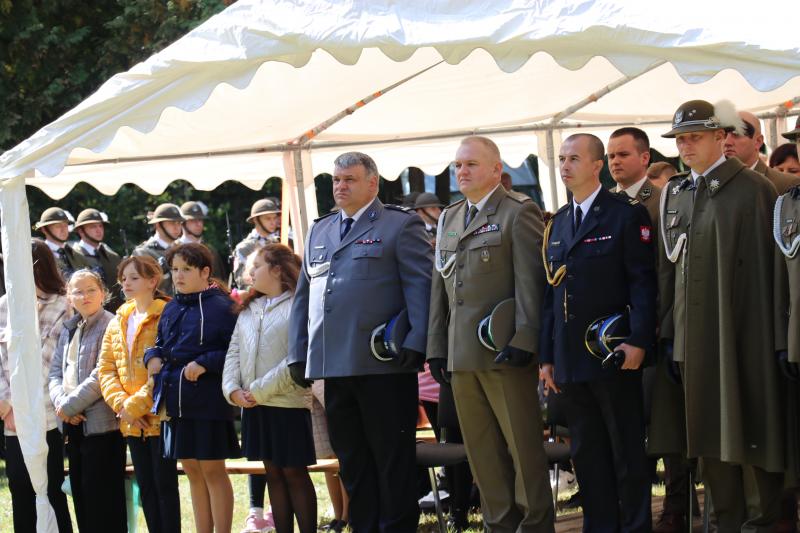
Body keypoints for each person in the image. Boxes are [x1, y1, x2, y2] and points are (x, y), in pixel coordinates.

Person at [659, 99, 788, 530]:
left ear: (721, 137)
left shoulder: (753, 190)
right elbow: (669, 271)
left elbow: (770, 274)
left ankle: (763, 521)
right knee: (707, 437)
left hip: (744, 335)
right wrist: (669, 333)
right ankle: (724, 522)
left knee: (752, 428)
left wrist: (773, 339)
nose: (685, 146)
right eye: (680, 139)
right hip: (693, 339)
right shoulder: (677, 193)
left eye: (694, 137)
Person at [288, 151, 432, 533]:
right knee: (352, 461)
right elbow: (304, 297)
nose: (340, 186)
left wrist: (418, 341)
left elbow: (420, 287)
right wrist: (297, 351)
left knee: (392, 460)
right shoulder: (320, 230)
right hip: (334, 366)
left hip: (383, 363)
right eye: (336, 180)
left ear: (372, 183)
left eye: (349, 179)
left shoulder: (399, 224)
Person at [427, 136, 554, 533]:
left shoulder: (518, 211)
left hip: (504, 352)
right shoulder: (449, 217)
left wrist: (525, 338)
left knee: (523, 449)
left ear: (497, 169)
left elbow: (531, 282)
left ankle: (535, 525)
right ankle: (499, 525)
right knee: (482, 454)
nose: (462, 172)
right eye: (457, 166)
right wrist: (436, 347)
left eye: (471, 164)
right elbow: (440, 288)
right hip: (461, 355)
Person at [539, 133, 656, 532]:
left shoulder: (624, 215)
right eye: (561, 158)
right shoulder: (557, 223)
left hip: (612, 354)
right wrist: (547, 356)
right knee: (588, 455)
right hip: (571, 358)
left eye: (574, 158)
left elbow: (642, 283)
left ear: (596, 166)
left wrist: (639, 340)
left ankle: (636, 526)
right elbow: (551, 294)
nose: (565, 166)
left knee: (626, 452)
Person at [145, 243, 240, 533]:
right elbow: (160, 344)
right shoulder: (171, 306)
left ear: (205, 271)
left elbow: (236, 350)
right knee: (191, 470)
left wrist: (205, 363)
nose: (178, 275)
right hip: (175, 400)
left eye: (186, 269)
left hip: (208, 400)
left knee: (212, 469)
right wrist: (152, 357)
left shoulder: (223, 307)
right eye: (174, 269)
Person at [223, 244, 317, 533]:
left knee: (294, 473)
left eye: (256, 266)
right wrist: (232, 389)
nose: (249, 272)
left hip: (287, 404)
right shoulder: (248, 309)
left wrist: (258, 390)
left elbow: (296, 358)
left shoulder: (299, 305)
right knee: (273, 474)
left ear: (276, 270)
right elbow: (234, 351)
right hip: (255, 405)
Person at [97, 255, 181, 533]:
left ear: (153, 281)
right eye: (123, 278)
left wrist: (135, 407)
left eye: (134, 278)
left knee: (165, 487)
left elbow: (166, 365)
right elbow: (106, 369)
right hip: (131, 422)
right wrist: (123, 407)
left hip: (159, 416)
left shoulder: (167, 313)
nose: (126, 284)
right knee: (146, 489)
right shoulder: (118, 319)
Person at [0, 239, 73, 533]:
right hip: (12, 416)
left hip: (46, 414)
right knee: (19, 488)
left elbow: (51, 361)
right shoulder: (3, 305)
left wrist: (23, 406)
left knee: (51, 487)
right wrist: (7, 405)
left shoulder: (63, 305)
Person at [48, 269, 126, 533]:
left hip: (103, 427)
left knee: (104, 503)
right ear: (69, 297)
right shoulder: (70, 328)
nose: (85, 296)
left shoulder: (111, 324)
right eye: (78, 291)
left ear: (103, 293)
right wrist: (63, 406)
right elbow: (55, 373)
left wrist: (69, 406)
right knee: (81, 498)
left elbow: (102, 375)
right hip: (73, 425)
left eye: (91, 290)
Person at [723, 111, 800, 193]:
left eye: (737, 134)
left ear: (758, 141)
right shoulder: (716, 180)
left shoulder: (786, 184)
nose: (727, 142)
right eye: (723, 135)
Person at [70, 208, 124, 311]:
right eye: (93, 227)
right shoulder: (72, 256)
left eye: (100, 226)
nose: (99, 230)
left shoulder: (112, 256)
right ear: (81, 231)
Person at [132, 203, 185, 297]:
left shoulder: (184, 250)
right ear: (158, 225)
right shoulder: (142, 253)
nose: (177, 227)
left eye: (179, 223)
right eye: (172, 223)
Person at [233, 199, 282, 290]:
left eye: (274, 218)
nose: (273, 222)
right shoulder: (244, 248)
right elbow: (241, 282)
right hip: (257, 296)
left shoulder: (281, 242)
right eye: (268, 218)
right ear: (256, 220)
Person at [34, 207, 90, 280]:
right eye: (58, 226)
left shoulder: (77, 255)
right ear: (44, 229)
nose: (63, 230)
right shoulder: (38, 255)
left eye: (65, 225)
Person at [179, 201, 229, 281]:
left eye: (200, 220)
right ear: (183, 223)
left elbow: (220, 281)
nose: (198, 224)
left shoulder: (210, 251)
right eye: (192, 220)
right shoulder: (175, 249)